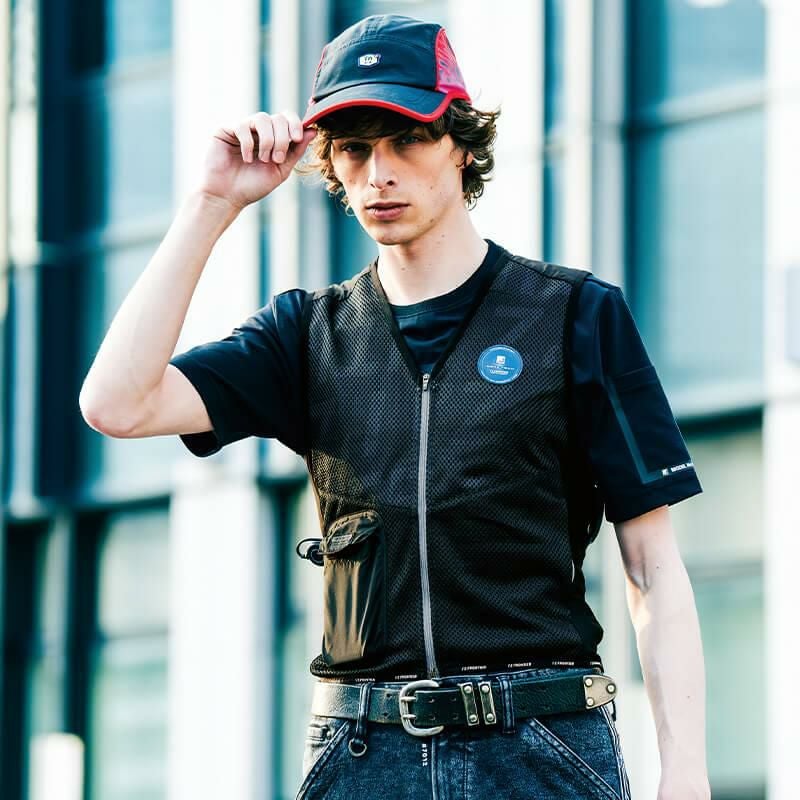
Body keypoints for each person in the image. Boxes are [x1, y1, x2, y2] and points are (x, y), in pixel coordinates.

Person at [79, 13, 711, 800]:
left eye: (407, 139)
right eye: (354, 148)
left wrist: (686, 771)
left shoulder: (574, 315)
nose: (379, 172)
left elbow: (653, 566)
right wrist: (211, 203)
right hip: (362, 752)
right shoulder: (305, 336)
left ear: (462, 145)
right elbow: (117, 404)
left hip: (541, 745)